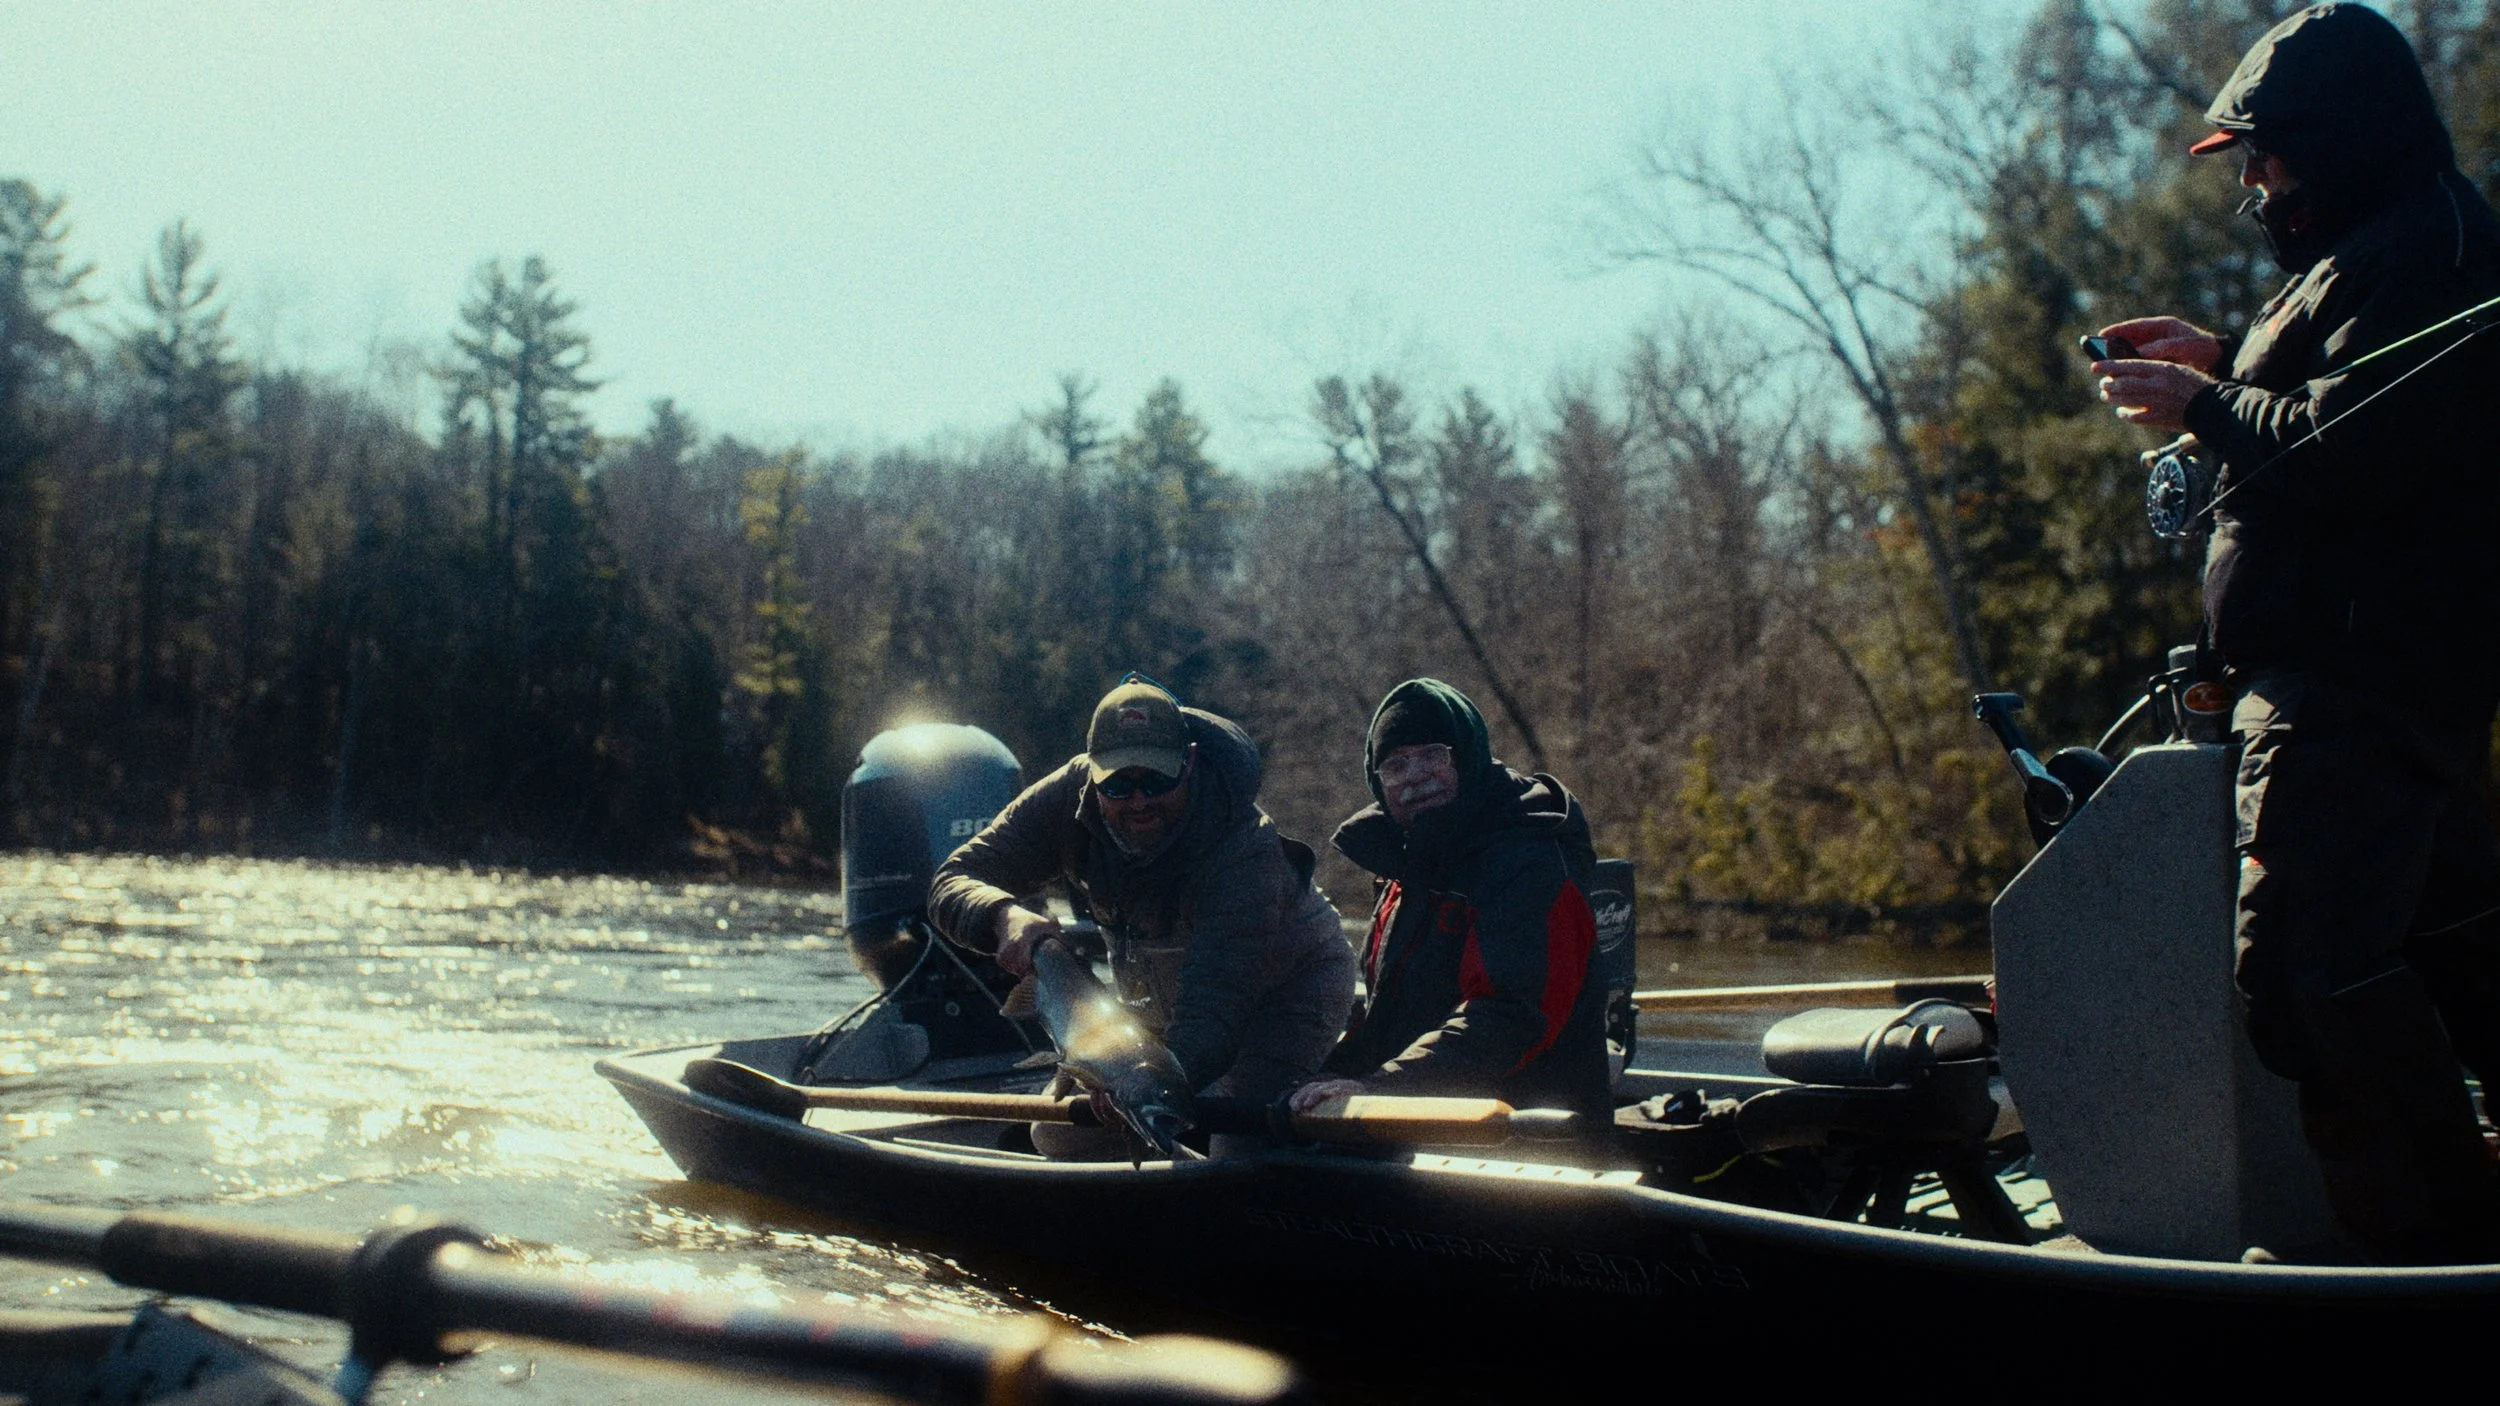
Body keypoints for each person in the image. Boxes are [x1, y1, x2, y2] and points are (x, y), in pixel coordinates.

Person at [2090, 3, 2500, 1262]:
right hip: (2371, 686)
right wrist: (2223, 365)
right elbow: (2338, 396)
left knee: (2308, 974)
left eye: (2266, 157)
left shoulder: (2428, 243)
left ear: (2333, 140)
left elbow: (2350, 447)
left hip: (2351, 688)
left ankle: (2421, 1257)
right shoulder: (2380, 249)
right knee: (2450, 963)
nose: (2257, 185)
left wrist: (2203, 402)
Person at [928, 676, 1355, 1156]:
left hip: (1285, 995)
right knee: (1057, 1136)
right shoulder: (1063, 799)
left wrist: (1134, 1082)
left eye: (1157, 780)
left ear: (1189, 762)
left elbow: (1215, 1010)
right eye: (1118, 783)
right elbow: (951, 880)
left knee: (1234, 1150)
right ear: (1091, 773)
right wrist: (1001, 916)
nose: (1139, 801)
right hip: (1155, 1007)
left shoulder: (1245, 849)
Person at [1289, 678, 1608, 1127]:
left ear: (1469, 757)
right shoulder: (1407, 867)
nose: (1415, 775)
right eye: (1396, 764)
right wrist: (1333, 1075)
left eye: (1432, 755)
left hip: (1533, 1147)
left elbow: (1509, 1017)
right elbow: (1389, 1020)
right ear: (1378, 784)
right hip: (1428, 1122)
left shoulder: (1531, 861)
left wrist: (1378, 1089)